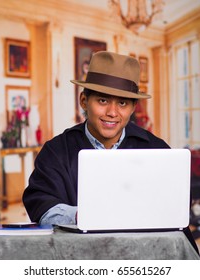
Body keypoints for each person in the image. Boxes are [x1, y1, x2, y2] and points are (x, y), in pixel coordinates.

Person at [22, 51, 199, 254]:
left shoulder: (156, 148)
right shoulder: (55, 151)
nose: (112, 113)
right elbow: (40, 205)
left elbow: (177, 208)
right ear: (84, 101)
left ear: (133, 107)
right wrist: (82, 215)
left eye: (122, 103)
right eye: (103, 101)